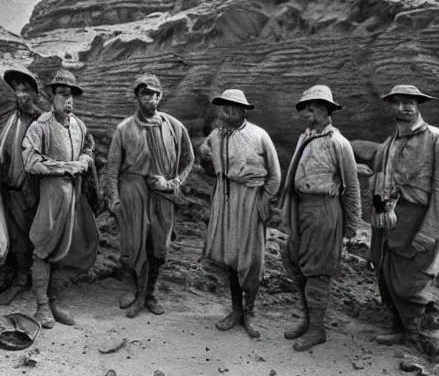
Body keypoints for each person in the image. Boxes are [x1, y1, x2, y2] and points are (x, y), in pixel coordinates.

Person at [369, 84, 439, 345]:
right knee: (386, 276)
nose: (403, 107)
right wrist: (377, 217)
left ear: (418, 106)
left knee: (410, 282)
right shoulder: (387, 145)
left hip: (418, 219)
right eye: (398, 102)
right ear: (391, 107)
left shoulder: (438, 139)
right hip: (388, 222)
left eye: (409, 102)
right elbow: (378, 183)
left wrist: (429, 230)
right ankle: (398, 326)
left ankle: (414, 334)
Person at [281, 85, 361, 351]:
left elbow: (352, 185)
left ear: (327, 110)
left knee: (317, 269)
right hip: (301, 208)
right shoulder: (305, 138)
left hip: (324, 210)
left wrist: (352, 224)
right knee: (296, 262)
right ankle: (308, 319)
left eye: (313, 107)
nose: (307, 112)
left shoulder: (338, 143)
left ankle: (317, 329)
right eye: (305, 107)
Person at [107, 74, 194, 318]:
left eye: (155, 94)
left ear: (161, 96)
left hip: (163, 195)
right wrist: (113, 198)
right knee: (137, 244)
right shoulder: (124, 129)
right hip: (133, 193)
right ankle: (139, 293)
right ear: (137, 96)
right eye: (145, 93)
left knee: (159, 246)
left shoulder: (174, 127)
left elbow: (189, 159)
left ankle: (150, 293)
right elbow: (112, 167)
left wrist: (174, 182)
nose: (151, 98)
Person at [198, 89, 281, 338]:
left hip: (251, 198)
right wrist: (205, 153)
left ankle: (250, 311)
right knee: (229, 255)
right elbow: (206, 157)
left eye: (234, 106)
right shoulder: (217, 135)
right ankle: (235, 310)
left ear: (243, 109)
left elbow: (275, 174)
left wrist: (264, 201)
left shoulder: (259, 135)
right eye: (224, 106)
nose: (228, 111)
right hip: (225, 197)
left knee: (252, 258)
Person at [22, 70, 99, 329]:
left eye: (71, 96)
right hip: (51, 192)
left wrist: (85, 161)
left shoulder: (78, 125)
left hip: (73, 194)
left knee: (64, 247)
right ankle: (41, 307)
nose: (68, 101)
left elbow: (88, 148)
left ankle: (53, 302)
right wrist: (63, 167)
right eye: (63, 95)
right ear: (51, 96)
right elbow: (30, 159)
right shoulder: (41, 126)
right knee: (44, 246)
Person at [0, 68, 41, 305]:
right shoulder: (11, 120)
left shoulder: (40, 121)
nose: (20, 94)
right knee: (15, 237)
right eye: (16, 89)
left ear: (35, 94)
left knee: (30, 237)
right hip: (10, 190)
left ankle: (28, 281)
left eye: (25, 89)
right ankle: (20, 275)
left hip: (30, 193)